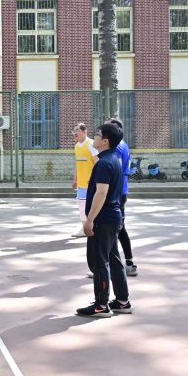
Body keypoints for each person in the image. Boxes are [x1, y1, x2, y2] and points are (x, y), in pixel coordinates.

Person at [76, 122, 132, 318]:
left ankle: (101, 305)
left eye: (98, 134)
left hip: (104, 219)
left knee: (100, 262)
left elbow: (101, 193)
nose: (95, 137)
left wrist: (89, 220)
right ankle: (122, 301)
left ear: (105, 141)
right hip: (113, 217)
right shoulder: (113, 159)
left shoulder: (103, 163)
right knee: (114, 260)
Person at [107, 117, 137, 277]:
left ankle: (108, 266)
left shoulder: (117, 146)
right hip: (121, 191)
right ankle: (129, 263)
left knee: (111, 229)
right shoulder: (123, 144)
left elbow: (115, 170)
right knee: (120, 228)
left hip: (116, 192)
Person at [71, 122, 99, 238]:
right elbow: (77, 164)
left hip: (92, 184)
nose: (74, 133)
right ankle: (84, 228)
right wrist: (75, 179)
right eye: (74, 131)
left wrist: (97, 180)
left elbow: (98, 163)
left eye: (77, 130)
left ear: (84, 132)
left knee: (93, 207)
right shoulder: (77, 146)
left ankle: (94, 228)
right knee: (81, 207)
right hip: (81, 184)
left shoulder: (91, 144)